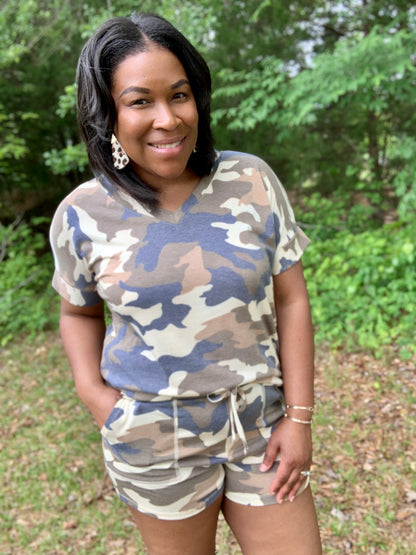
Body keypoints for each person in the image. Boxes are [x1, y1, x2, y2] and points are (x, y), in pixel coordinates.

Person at [50, 12, 322, 555]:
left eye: (179, 95)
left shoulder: (250, 180)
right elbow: (78, 312)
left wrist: (299, 418)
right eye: (140, 101)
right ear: (107, 113)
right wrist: (97, 398)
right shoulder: (82, 214)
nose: (167, 118)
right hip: (154, 442)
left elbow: (292, 299)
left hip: (260, 429)